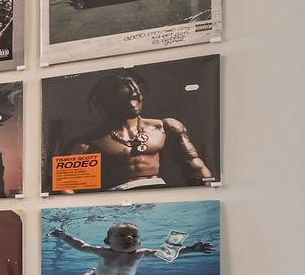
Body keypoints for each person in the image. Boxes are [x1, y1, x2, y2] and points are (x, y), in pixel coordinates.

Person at [55, 69, 218, 190]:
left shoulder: (165, 127)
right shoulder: (88, 141)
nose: (132, 104)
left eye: (135, 97)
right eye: (122, 99)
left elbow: (195, 167)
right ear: (108, 102)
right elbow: (63, 188)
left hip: (158, 191)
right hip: (116, 198)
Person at [51, 222, 213, 275]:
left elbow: (166, 253)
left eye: (134, 237)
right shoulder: (104, 252)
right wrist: (65, 237)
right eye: (122, 235)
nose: (129, 238)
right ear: (108, 241)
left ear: (139, 242)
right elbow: (82, 246)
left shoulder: (141, 253)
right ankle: (90, 271)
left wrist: (191, 249)